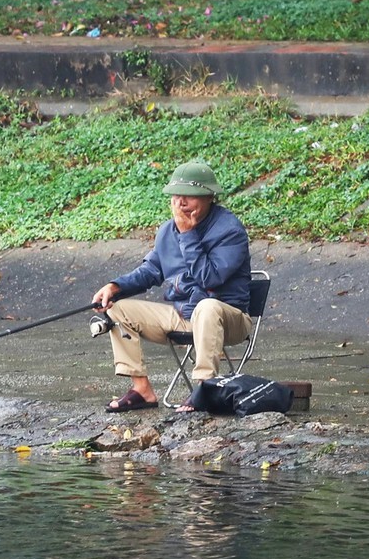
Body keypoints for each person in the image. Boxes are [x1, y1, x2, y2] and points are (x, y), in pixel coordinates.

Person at [91, 161, 252, 413]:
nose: (181, 202)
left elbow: (210, 278)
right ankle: (141, 389)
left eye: (190, 195)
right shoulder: (168, 230)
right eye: (176, 195)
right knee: (119, 309)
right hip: (183, 316)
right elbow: (151, 271)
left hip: (228, 319)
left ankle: (205, 388)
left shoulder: (230, 231)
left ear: (210, 197)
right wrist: (115, 287)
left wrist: (188, 235)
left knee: (207, 306)